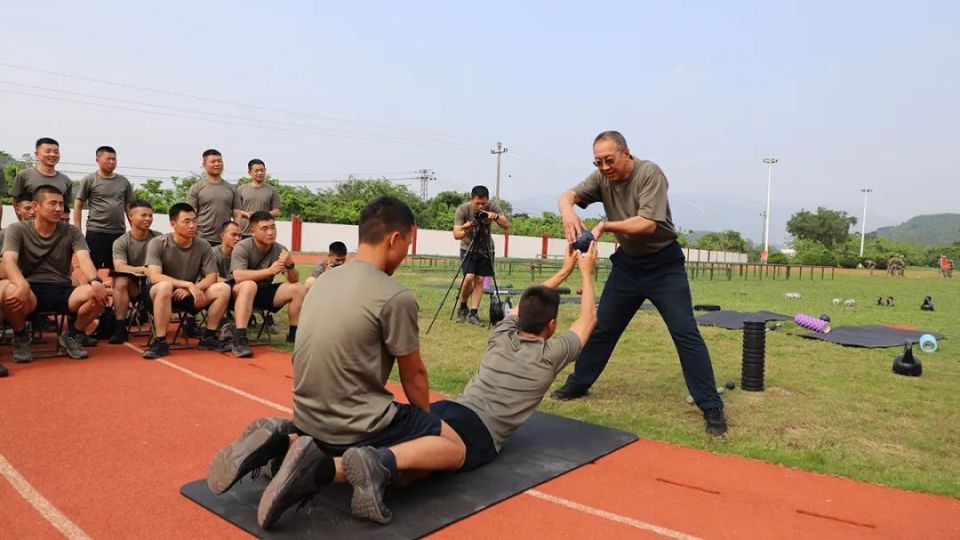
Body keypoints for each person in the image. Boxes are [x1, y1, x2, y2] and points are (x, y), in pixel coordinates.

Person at [206, 196, 466, 529]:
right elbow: (414, 373)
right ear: (395, 239)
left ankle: (284, 443)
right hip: (355, 428)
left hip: (307, 417)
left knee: (399, 455)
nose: (405, 254)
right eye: (407, 245)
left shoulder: (324, 280)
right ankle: (359, 464)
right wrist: (422, 429)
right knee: (451, 450)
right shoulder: (395, 295)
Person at [550, 130, 728, 436]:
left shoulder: (649, 174)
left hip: (664, 266)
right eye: (598, 162)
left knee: (684, 331)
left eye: (609, 160)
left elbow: (647, 223)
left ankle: (711, 405)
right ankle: (577, 385)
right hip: (628, 267)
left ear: (626, 154)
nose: (604, 167)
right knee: (603, 327)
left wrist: (604, 225)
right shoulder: (600, 178)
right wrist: (568, 212)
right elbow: (568, 196)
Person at [0, 186, 108, 362]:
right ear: (36, 206)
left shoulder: (71, 231)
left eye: (60, 204)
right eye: (52, 204)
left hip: (62, 288)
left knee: (97, 296)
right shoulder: (17, 229)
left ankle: (72, 336)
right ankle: (21, 337)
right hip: (30, 290)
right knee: (11, 291)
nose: (58, 208)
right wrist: (21, 284)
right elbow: (9, 260)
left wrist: (95, 281)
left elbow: (84, 259)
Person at [142, 203, 232, 359]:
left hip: (188, 295)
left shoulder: (203, 245)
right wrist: (186, 284)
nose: (192, 225)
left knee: (223, 288)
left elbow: (212, 276)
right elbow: (155, 276)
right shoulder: (158, 243)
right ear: (173, 224)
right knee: (164, 286)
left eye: (194, 221)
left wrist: (192, 288)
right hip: (160, 295)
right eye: (186, 221)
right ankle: (160, 341)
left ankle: (208, 337)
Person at [228, 211, 306, 357]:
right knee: (249, 285)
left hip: (263, 291)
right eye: (264, 229)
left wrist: (290, 265)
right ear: (252, 232)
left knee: (299, 289)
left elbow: (293, 280)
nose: (270, 232)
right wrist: (269, 271)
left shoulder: (280, 248)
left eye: (273, 227)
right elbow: (238, 276)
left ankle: (294, 334)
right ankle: (240, 338)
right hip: (239, 292)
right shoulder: (243, 247)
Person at [452, 185, 509, 325]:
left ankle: (473, 313)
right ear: (472, 200)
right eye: (477, 203)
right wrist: (466, 230)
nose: (481, 206)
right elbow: (456, 235)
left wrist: (494, 216)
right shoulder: (463, 209)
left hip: (486, 248)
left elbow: (506, 224)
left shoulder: (492, 206)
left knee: (480, 280)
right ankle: (463, 306)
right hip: (468, 247)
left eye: (484, 203)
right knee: (469, 277)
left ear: (487, 200)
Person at [73, 146, 135, 271]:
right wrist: (77, 231)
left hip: (118, 232)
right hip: (96, 232)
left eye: (114, 159)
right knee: (91, 268)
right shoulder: (89, 180)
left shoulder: (123, 182)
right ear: (98, 160)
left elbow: (129, 207)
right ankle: (89, 290)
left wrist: (134, 229)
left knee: (118, 270)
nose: (112, 162)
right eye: (108, 159)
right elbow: (78, 206)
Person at [108, 200, 162, 344]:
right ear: (131, 216)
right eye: (143, 215)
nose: (148, 219)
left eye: (150, 216)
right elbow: (119, 267)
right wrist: (143, 269)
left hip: (156, 284)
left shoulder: (159, 238)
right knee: (120, 280)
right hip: (134, 285)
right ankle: (120, 328)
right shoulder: (121, 242)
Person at [10, 138, 75, 220]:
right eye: (48, 151)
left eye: (56, 152)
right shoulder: (24, 175)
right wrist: (22, 223)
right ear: (37, 154)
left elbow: (65, 207)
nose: (52, 155)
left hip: (54, 227)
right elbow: (16, 201)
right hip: (30, 227)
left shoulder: (66, 180)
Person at [186, 149, 242, 244]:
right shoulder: (196, 188)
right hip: (201, 239)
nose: (217, 164)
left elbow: (237, 215)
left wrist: (237, 234)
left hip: (224, 240)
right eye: (213, 161)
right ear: (204, 164)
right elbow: (190, 215)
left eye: (219, 161)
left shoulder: (232, 189)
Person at [0, 194, 39, 279]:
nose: (32, 212)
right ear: (18, 210)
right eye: (27, 208)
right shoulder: (5, 234)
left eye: (35, 208)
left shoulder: (48, 234)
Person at [238, 159, 281, 234]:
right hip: (244, 232)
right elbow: (235, 210)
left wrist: (262, 215)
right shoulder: (241, 189)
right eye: (256, 171)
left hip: (264, 233)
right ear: (249, 172)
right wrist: (247, 214)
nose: (260, 173)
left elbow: (276, 211)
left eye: (262, 170)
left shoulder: (272, 190)